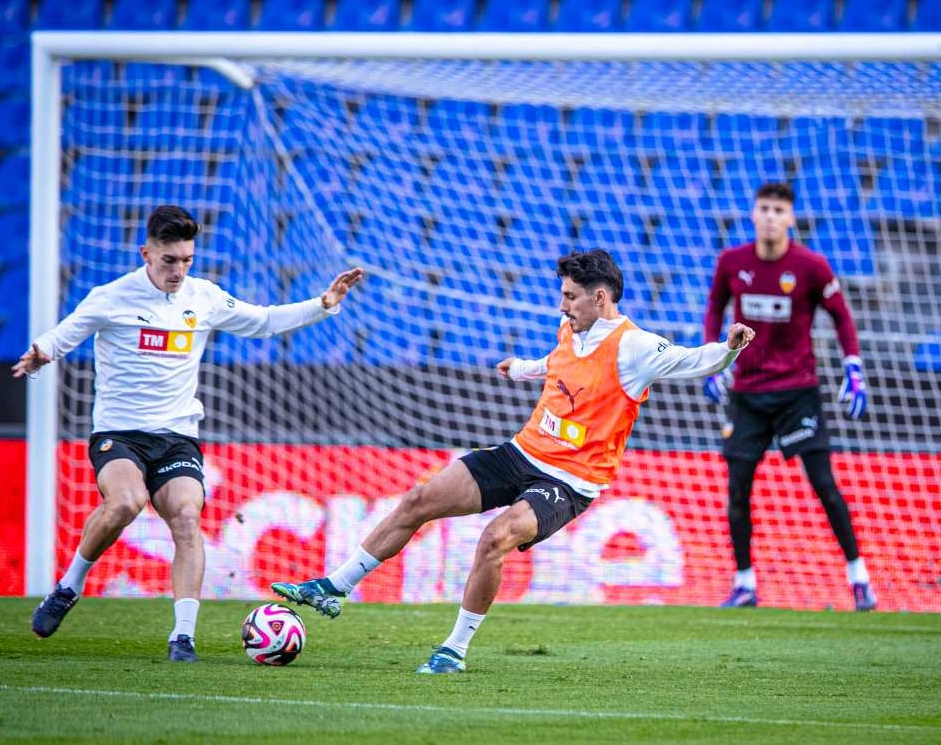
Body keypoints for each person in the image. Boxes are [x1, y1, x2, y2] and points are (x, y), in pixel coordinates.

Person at [273, 248, 755, 673]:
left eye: (570, 296)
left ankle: (453, 650)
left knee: (496, 537)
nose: (562, 305)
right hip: (522, 452)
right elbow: (559, 362)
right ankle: (334, 586)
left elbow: (696, 360)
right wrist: (523, 369)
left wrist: (729, 349)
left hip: (570, 481)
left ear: (601, 297)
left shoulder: (636, 347)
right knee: (420, 498)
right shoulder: (571, 328)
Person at [15, 205, 363, 661]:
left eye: (186, 260)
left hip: (178, 435)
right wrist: (41, 352)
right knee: (125, 502)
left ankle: (183, 636)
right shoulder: (112, 296)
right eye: (169, 260)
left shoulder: (204, 297)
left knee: (185, 516)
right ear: (147, 253)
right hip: (120, 432)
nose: (178, 270)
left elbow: (262, 322)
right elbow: (68, 332)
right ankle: (68, 587)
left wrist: (321, 305)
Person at [703, 181, 876, 611]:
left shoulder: (811, 266)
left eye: (779, 210)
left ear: (791, 218)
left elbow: (842, 318)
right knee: (738, 489)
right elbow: (713, 311)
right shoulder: (731, 262)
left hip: (798, 392)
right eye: (763, 208)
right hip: (747, 393)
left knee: (823, 484)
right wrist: (713, 360)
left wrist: (852, 365)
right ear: (752, 214)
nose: (770, 217)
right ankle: (744, 583)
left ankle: (860, 578)